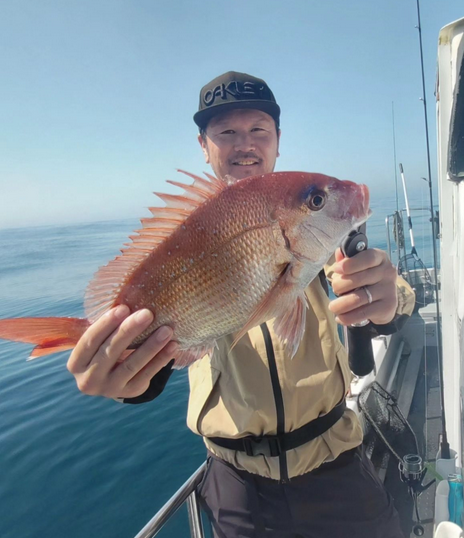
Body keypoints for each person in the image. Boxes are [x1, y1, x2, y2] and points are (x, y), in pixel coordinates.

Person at [67, 71, 415, 538]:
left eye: (258, 130)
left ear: (276, 141)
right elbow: (158, 363)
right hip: (237, 486)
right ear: (204, 145)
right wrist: (123, 379)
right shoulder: (185, 232)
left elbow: (373, 292)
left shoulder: (326, 232)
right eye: (226, 132)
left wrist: (388, 298)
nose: (244, 144)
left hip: (335, 461)